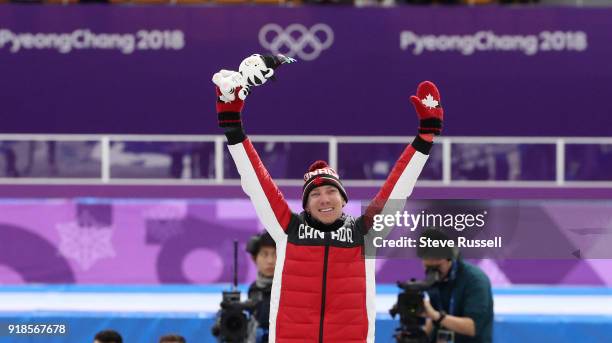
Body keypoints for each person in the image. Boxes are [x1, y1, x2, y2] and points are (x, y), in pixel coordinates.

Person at [213, 65, 443, 342]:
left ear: (344, 199)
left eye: (331, 192)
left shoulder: (365, 233)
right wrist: (232, 125)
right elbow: (255, 180)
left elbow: (398, 188)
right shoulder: (289, 229)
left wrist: (425, 138)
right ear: (306, 205)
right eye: (315, 194)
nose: (324, 199)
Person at [417, 229, 494, 343]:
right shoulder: (432, 280)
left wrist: (437, 316)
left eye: (437, 267)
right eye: (427, 267)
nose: (433, 273)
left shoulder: (475, 280)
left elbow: (472, 327)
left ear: (450, 258)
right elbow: (431, 320)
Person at [245, 232, 277, 343]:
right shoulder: (253, 289)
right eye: (264, 254)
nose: (270, 261)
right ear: (255, 258)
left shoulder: (291, 288)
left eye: (275, 254)